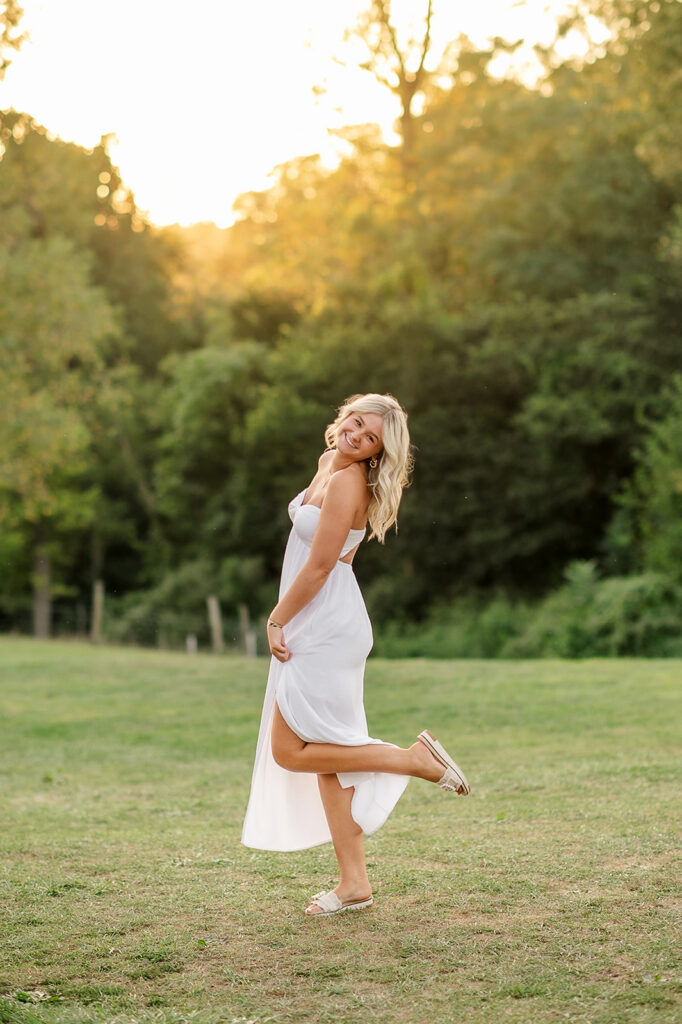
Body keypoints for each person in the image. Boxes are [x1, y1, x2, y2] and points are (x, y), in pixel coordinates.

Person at [241, 393, 470, 916]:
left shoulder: (348, 481)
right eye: (357, 424)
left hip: (322, 625)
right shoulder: (329, 464)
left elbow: (321, 567)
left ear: (375, 453)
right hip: (323, 619)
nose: (357, 437)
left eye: (370, 439)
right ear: (345, 417)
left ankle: (414, 761)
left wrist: (277, 617)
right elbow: (340, 550)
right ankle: (354, 884)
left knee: (290, 751)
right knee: (328, 760)